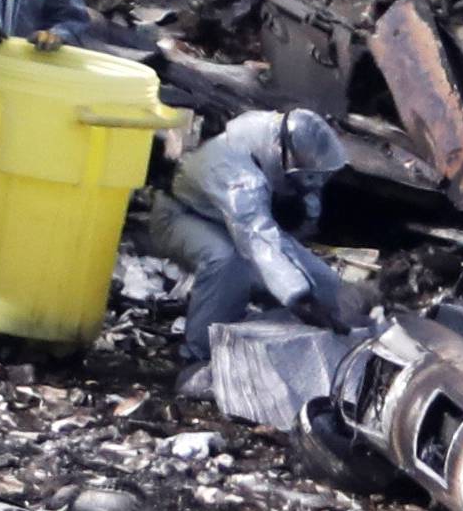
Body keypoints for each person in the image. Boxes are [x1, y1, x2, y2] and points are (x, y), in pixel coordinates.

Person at [151, 108, 357, 360]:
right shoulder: (241, 177)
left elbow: (274, 234)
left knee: (326, 284)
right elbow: (256, 235)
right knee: (226, 260)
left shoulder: (270, 143)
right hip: (181, 216)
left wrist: (318, 294)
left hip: (230, 224)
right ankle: (199, 351)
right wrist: (298, 295)